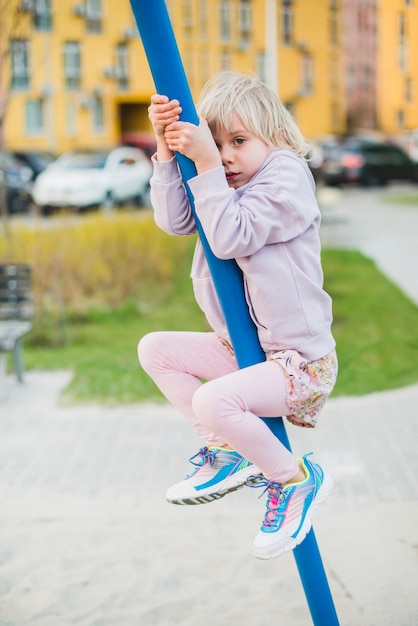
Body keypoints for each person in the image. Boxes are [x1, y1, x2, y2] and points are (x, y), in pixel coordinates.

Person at [138, 71, 338, 560]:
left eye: (239, 141)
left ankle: (294, 479)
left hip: (300, 364)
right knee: (156, 350)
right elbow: (177, 220)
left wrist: (204, 159)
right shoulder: (220, 183)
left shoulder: (286, 177)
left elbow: (231, 235)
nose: (225, 154)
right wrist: (168, 152)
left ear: (279, 138)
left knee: (212, 401)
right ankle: (226, 450)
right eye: (217, 141)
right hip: (246, 353)